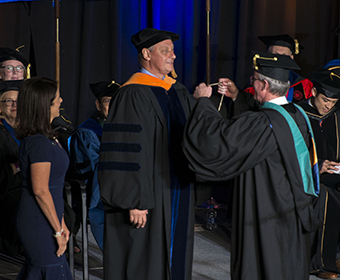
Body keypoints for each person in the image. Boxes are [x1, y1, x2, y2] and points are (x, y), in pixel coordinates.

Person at [183, 51, 321, 280]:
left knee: (265, 266)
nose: (252, 84)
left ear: (264, 84)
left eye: (253, 80)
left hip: (267, 210)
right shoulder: (298, 114)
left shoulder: (263, 122)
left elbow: (217, 141)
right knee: (289, 264)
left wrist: (203, 103)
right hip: (292, 208)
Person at [98, 27, 196, 280]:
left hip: (175, 189)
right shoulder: (132, 93)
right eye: (166, 51)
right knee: (145, 261)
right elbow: (126, 150)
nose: (173, 56)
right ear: (146, 53)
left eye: (173, 51)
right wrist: (134, 200)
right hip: (147, 194)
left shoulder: (176, 90)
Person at [14, 77, 72, 279]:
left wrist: (62, 223)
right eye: (57, 98)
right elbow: (40, 190)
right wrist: (57, 230)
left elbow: (53, 188)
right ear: (44, 105)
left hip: (47, 217)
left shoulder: (46, 138)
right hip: (38, 222)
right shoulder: (39, 143)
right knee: (50, 269)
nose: (61, 101)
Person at [297, 67, 340, 279]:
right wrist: (317, 165)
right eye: (325, 100)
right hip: (307, 178)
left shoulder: (336, 115)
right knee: (327, 196)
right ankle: (321, 264)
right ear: (313, 92)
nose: (328, 106)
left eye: (333, 102)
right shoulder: (297, 114)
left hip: (335, 175)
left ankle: (337, 255)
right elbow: (289, 153)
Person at [68, 80, 120, 251]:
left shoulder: (128, 127)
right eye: (107, 101)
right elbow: (91, 169)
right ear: (98, 105)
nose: (112, 106)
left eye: (117, 101)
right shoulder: (88, 132)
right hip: (99, 187)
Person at [243, 34, 313, 103]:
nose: (280, 59)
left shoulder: (305, 85)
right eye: (275, 55)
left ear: (292, 58)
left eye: (284, 56)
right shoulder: (256, 84)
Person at [0, 80, 23, 256]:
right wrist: (15, 166)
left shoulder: (29, 130)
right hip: (8, 187)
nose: (14, 105)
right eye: (8, 101)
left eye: (18, 101)